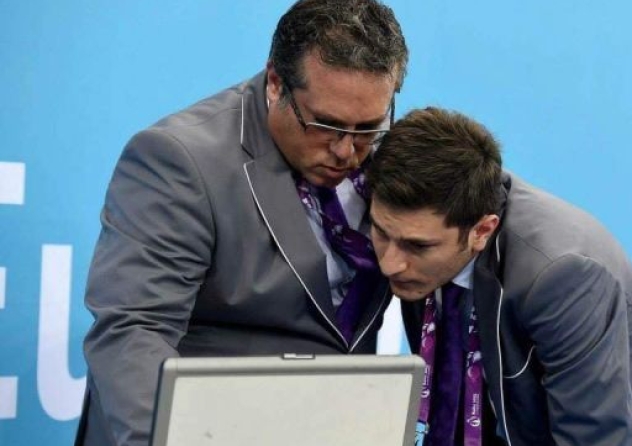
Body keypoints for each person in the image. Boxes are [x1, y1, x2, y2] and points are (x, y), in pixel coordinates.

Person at [75, 1, 408, 444]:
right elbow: (133, 331)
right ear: (276, 83)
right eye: (324, 125)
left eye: (367, 127)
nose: (346, 151)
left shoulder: (389, 152)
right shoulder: (181, 160)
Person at [365, 107, 632, 446]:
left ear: (482, 230)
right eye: (381, 232)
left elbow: (592, 437)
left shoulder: (561, 276)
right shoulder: (429, 226)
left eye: (418, 246)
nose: (391, 264)